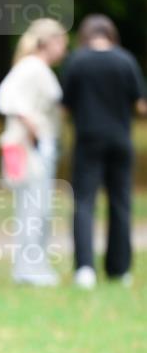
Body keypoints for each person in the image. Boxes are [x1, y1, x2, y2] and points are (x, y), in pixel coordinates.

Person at [61, 14, 147, 288]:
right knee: (120, 203)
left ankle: (85, 268)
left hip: (88, 140)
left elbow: (65, 106)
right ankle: (119, 269)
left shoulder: (77, 61)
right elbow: (141, 105)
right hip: (121, 140)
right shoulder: (125, 60)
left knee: (84, 203)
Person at [0, 18, 68, 286]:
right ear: (48, 42)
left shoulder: (36, 68)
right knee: (32, 208)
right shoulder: (32, 67)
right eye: (61, 42)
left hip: (35, 147)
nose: (64, 49)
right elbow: (6, 96)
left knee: (38, 208)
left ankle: (33, 265)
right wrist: (34, 129)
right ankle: (29, 268)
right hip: (28, 148)